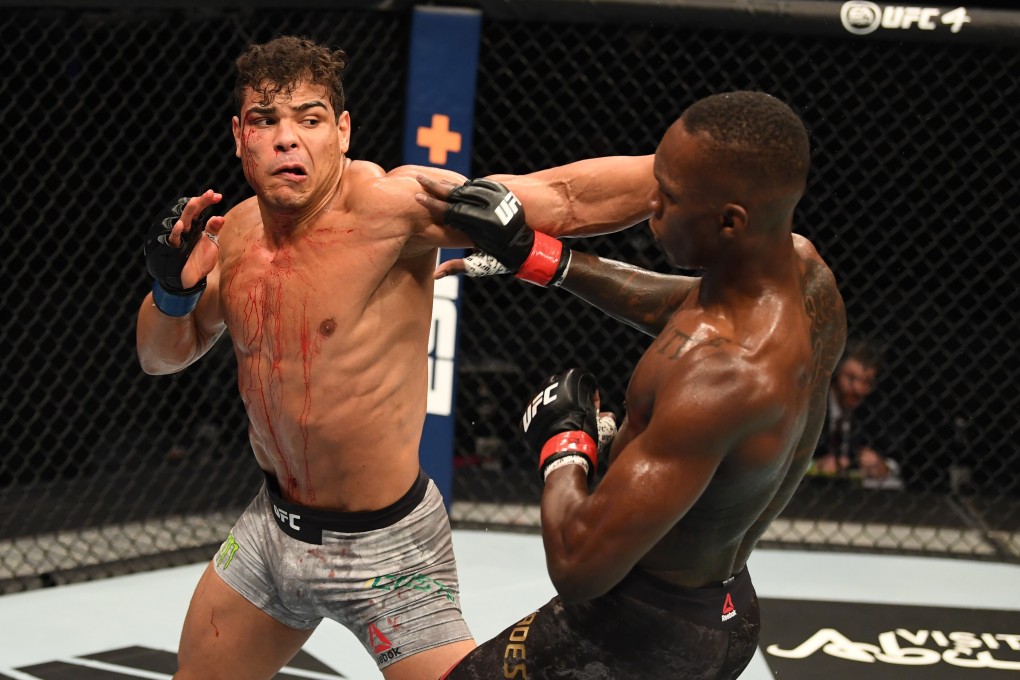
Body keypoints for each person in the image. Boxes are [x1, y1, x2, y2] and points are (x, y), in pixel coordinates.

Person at [135, 36, 653, 680]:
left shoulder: (390, 207)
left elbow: (566, 197)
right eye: (266, 121)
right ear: (240, 136)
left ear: (342, 131)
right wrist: (172, 292)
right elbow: (161, 357)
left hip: (388, 550)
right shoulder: (234, 234)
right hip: (273, 533)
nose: (287, 139)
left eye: (309, 119)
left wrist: (691, 174)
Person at [418, 91, 848, 679]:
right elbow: (681, 307)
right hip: (725, 607)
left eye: (668, 197)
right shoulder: (804, 276)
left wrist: (565, 445)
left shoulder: (722, 379)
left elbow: (578, 565)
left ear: (730, 220)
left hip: (638, 633)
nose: (650, 207)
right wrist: (535, 254)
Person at [811, 338, 903, 490]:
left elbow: (897, 457)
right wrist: (815, 465)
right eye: (851, 378)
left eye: (866, 381)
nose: (858, 389)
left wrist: (883, 466)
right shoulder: (813, 405)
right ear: (836, 375)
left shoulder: (873, 407)